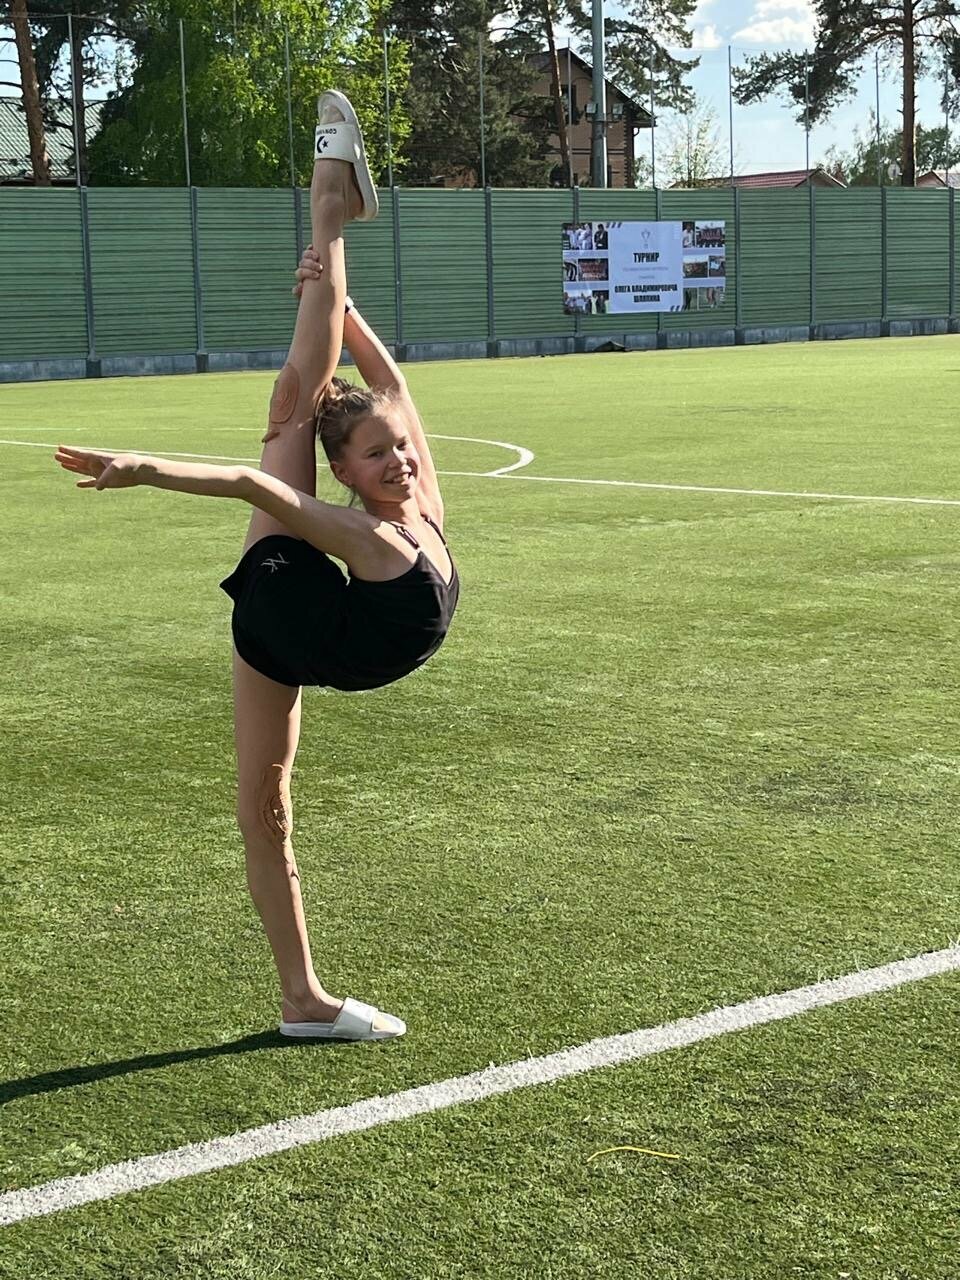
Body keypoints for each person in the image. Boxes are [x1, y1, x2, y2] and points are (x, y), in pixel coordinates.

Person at [54, 91, 459, 1044]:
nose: (400, 462)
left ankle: (330, 216)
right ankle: (303, 999)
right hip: (284, 620)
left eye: (399, 449)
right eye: (375, 457)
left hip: (331, 625)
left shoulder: (415, 511)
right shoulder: (366, 534)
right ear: (343, 475)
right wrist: (142, 468)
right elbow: (255, 483)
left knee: (299, 395)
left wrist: (340, 301)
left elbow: (392, 387)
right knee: (264, 808)